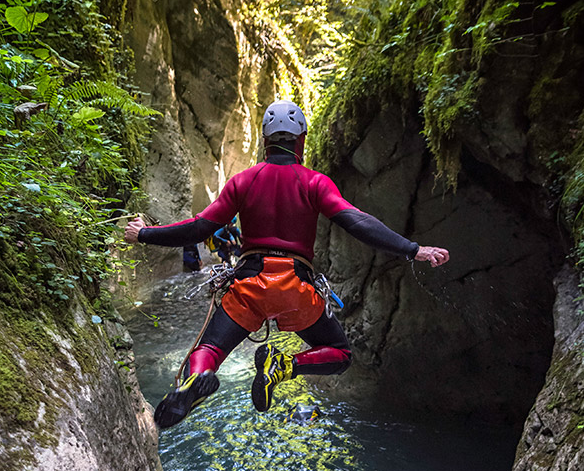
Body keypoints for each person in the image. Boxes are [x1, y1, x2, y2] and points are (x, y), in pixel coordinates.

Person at [125, 100, 449, 429]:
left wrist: (144, 234)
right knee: (339, 353)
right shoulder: (315, 182)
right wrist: (412, 249)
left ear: (265, 140)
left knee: (209, 347)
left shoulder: (243, 181)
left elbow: (198, 228)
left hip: (249, 286)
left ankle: (197, 378)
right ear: (302, 140)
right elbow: (357, 222)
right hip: (297, 288)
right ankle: (284, 366)